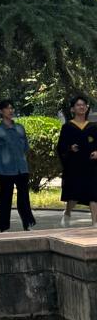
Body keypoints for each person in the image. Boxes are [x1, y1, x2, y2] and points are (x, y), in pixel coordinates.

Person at [0, 99, 36, 232]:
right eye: (7, 108)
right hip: (5, 169)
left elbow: (25, 147)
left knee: (24, 197)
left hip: (21, 168)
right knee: (5, 198)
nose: (11, 110)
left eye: (12, 108)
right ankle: (4, 227)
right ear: (1, 111)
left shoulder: (20, 128)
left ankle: (28, 223)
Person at [57, 93, 97, 228]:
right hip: (74, 165)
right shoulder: (68, 127)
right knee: (74, 195)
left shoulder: (93, 126)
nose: (81, 107)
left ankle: (95, 223)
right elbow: (61, 147)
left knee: (94, 194)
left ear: (87, 108)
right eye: (78, 105)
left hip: (91, 165)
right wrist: (70, 148)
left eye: (83, 105)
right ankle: (67, 213)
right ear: (72, 109)